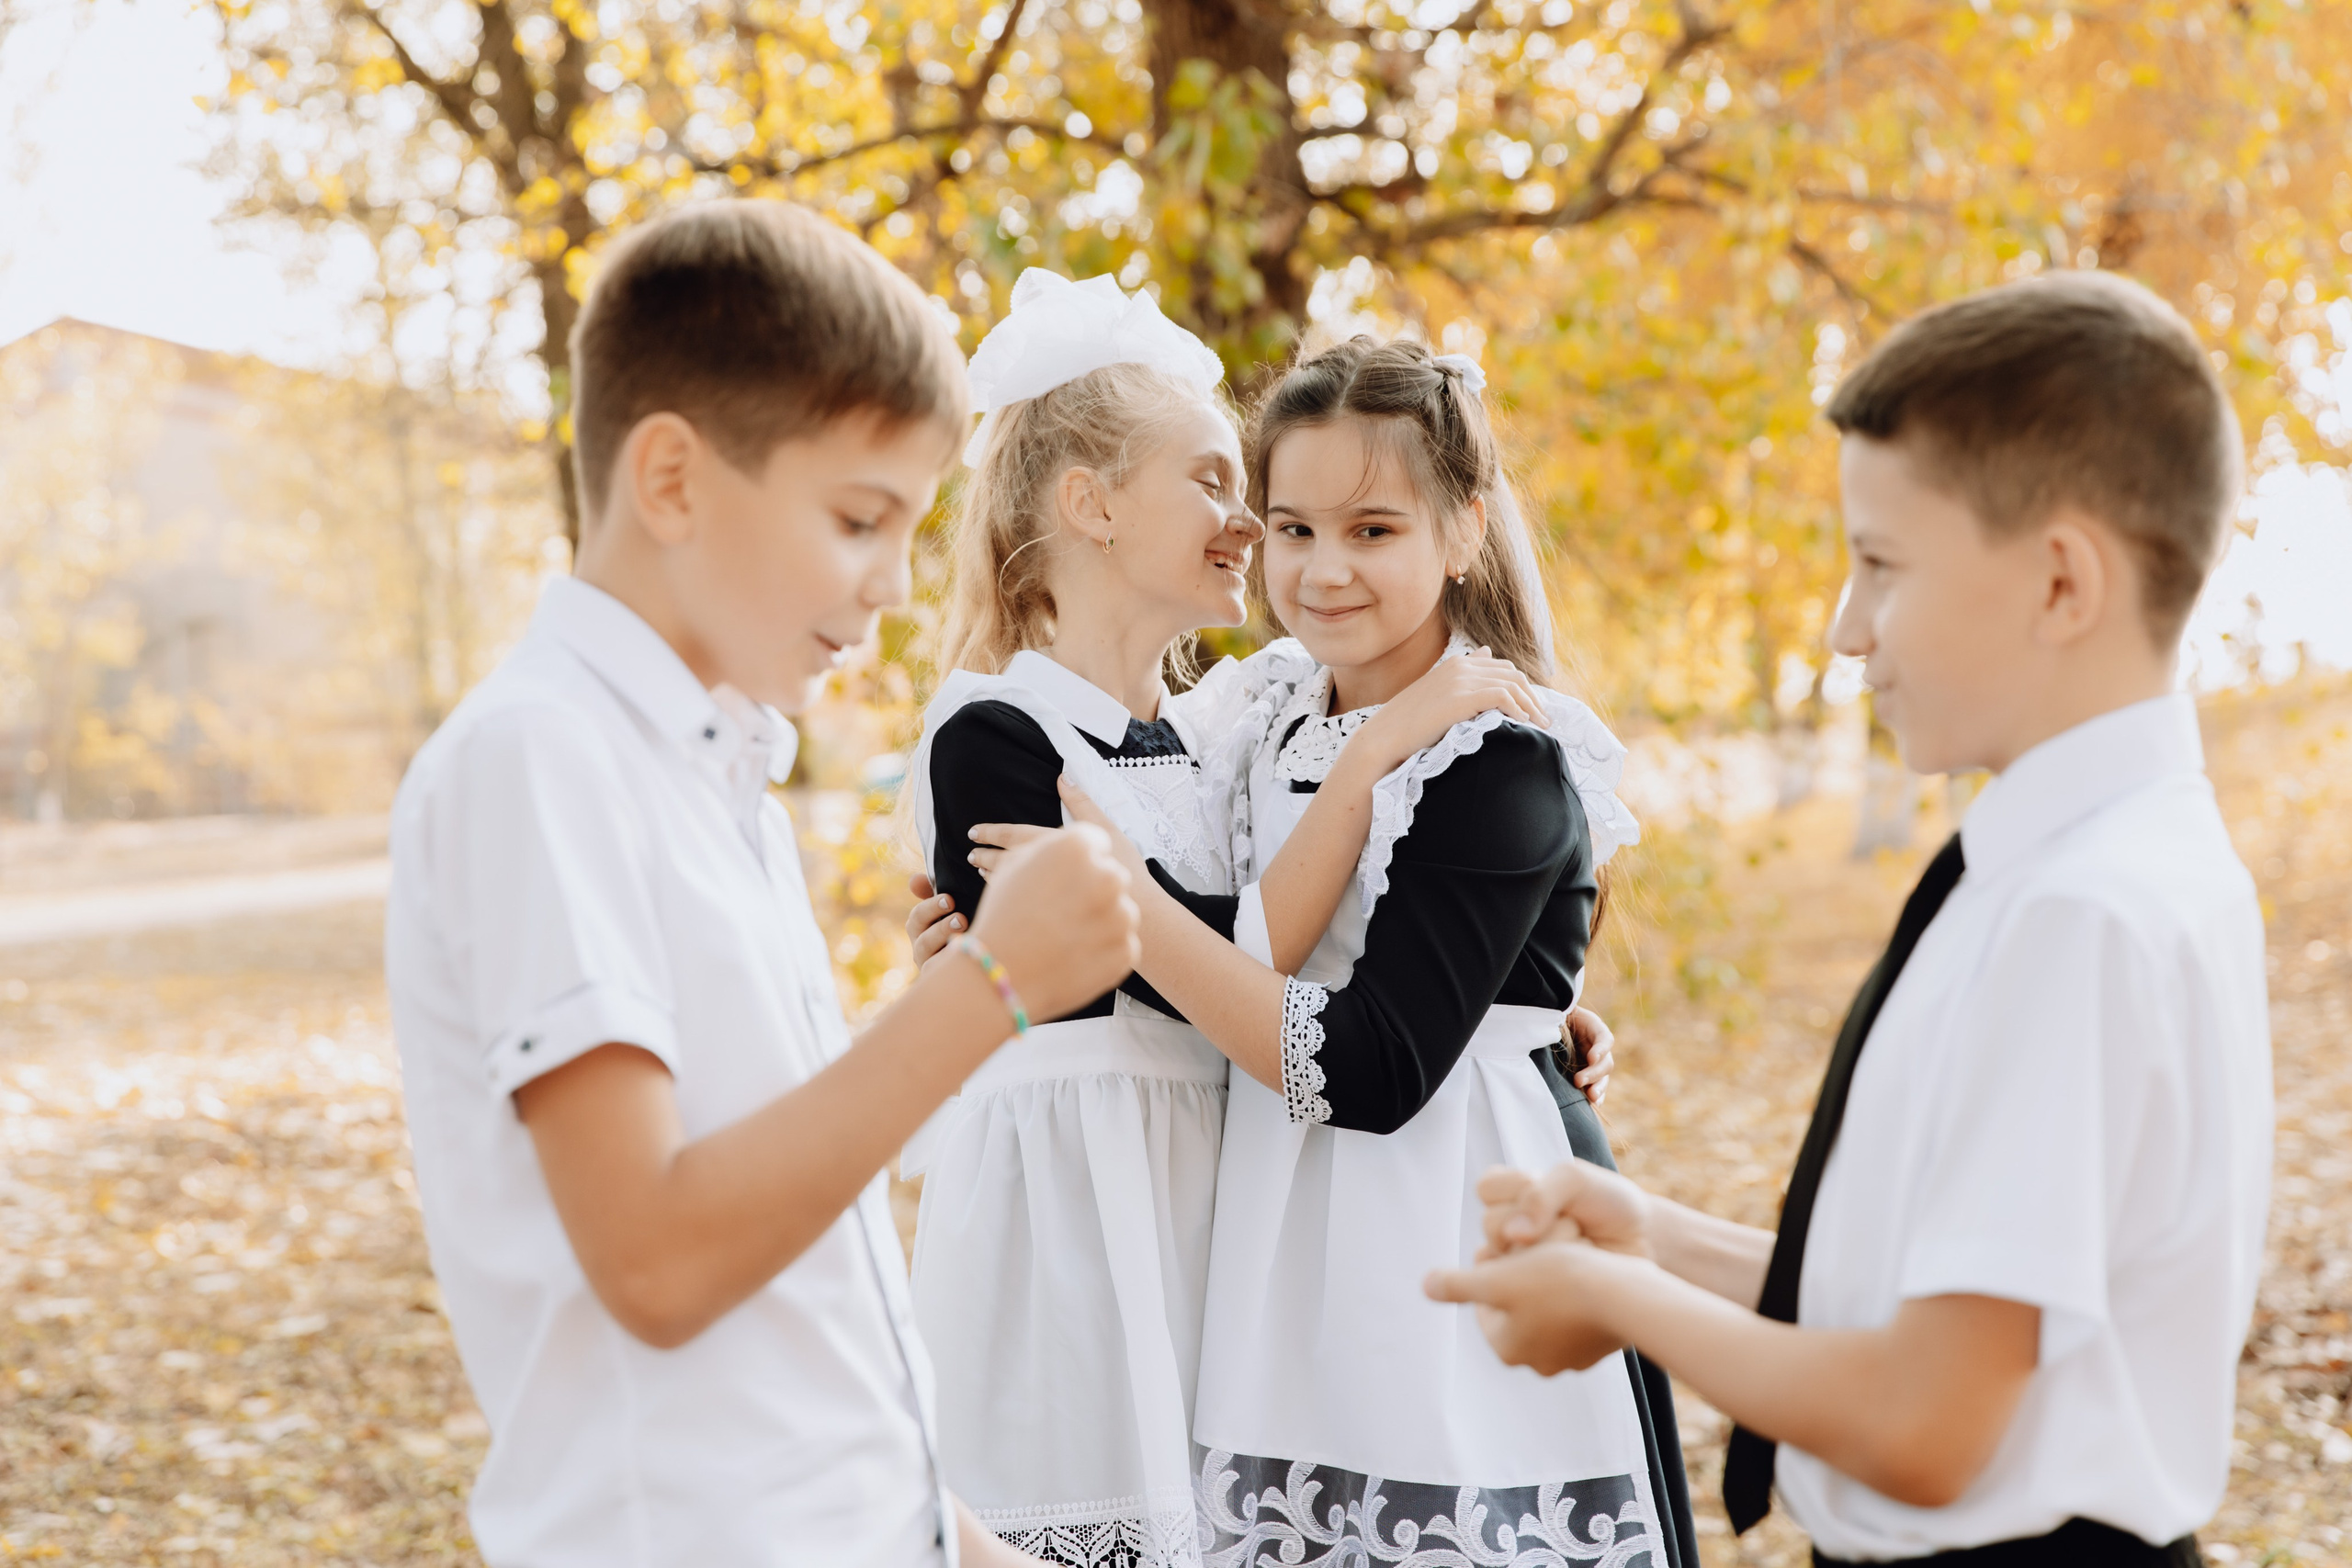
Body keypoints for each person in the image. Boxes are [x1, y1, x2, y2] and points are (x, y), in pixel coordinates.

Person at [1430, 271, 2272, 1568]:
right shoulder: (2098, 861)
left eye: (1881, 565)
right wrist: (1657, 1238)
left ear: (2061, 584)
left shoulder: (2080, 917)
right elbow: (1941, 1308)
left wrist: (1622, 1301)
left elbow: (1925, 1424)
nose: (1842, 630)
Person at [384, 201, 1142, 1568]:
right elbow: (659, 1260)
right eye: (859, 519)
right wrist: (995, 988)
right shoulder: (541, 759)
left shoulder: (716, 778)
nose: (894, 585)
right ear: (672, 480)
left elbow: (806, 1314)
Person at [973, 335, 1696, 1565]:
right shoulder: (1255, 714)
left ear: (1462, 533)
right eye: (1294, 528)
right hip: (1279, 1243)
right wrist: (983, 925)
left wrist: (1119, 905)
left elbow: (1368, 1068)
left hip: (1452, 1224)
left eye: (1373, 530)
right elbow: (1178, 863)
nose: (1324, 569)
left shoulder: (1500, 756)